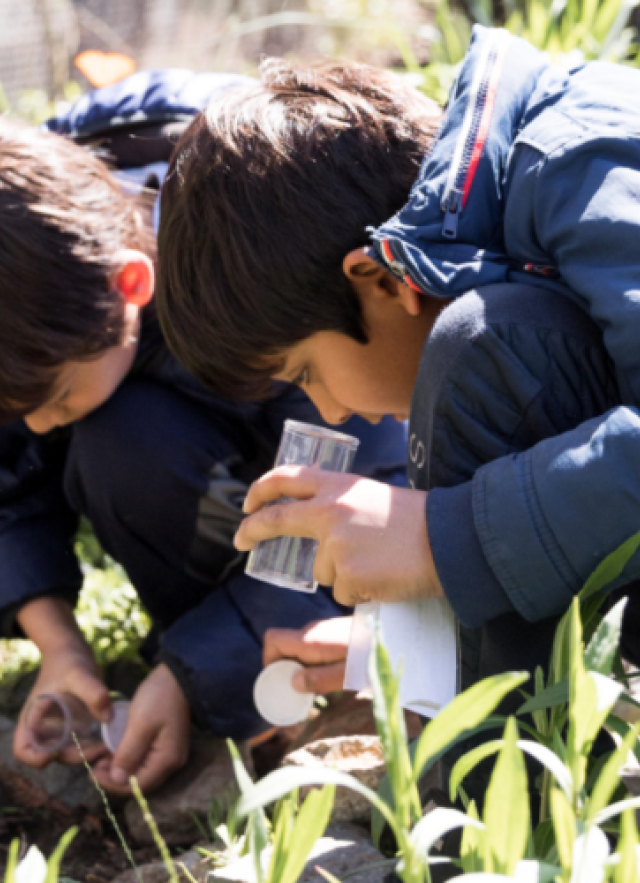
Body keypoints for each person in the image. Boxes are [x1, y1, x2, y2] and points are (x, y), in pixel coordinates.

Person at [155, 28, 640, 697]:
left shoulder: (580, 166)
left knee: (485, 346)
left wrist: (444, 538)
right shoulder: (512, 202)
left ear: (380, 280)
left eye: (304, 373)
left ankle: (503, 790)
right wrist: (402, 640)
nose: (330, 409)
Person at [0, 69, 409, 796]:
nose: (36, 424)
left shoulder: (265, 248)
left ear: (130, 283)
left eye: (54, 394)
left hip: (319, 479)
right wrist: (60, 648)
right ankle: (207, 665)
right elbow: (9, 478)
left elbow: (362, 479)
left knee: (120, 443)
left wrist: (196, 671)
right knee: (108, 431)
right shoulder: (30, 238)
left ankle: (257, 671)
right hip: (185, 440)